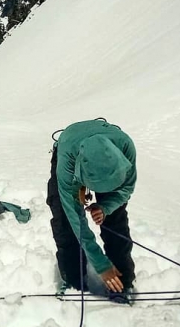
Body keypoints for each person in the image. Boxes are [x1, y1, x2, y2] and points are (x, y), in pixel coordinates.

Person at [47, 119, 136, 302]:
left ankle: (122, 283)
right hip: (69, 148)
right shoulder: (67, 164)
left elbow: (126, 189)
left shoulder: (125, 146)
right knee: (65, 223)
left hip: (108, 153)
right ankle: (73, 281)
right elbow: (75, 218)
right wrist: (101, 265)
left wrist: (106, 207)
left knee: (116, 219)